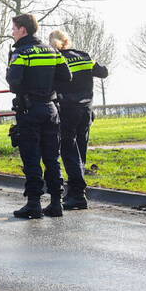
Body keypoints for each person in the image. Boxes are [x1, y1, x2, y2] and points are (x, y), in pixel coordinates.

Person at [6, 13, 73, 219]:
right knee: (52, 157)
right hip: (51, 110)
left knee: (31, 157)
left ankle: (34, 204)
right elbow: (67, 76)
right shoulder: (52, 51)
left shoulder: (21, 53)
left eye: (14, 29)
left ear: (23, 30)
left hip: (29, 111)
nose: (12, 32)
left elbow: (13, 82)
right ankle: (56, 203)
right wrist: (49, 89)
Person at [48, 29, 109, 210]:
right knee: (80, 151)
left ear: (52, 43)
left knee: (69, 152)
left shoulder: (56, 59)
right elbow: (103, 72)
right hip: (86, 110)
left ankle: (77, 194)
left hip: (67, 110)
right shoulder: (84, 56)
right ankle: (76, 192)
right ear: (67, 40)